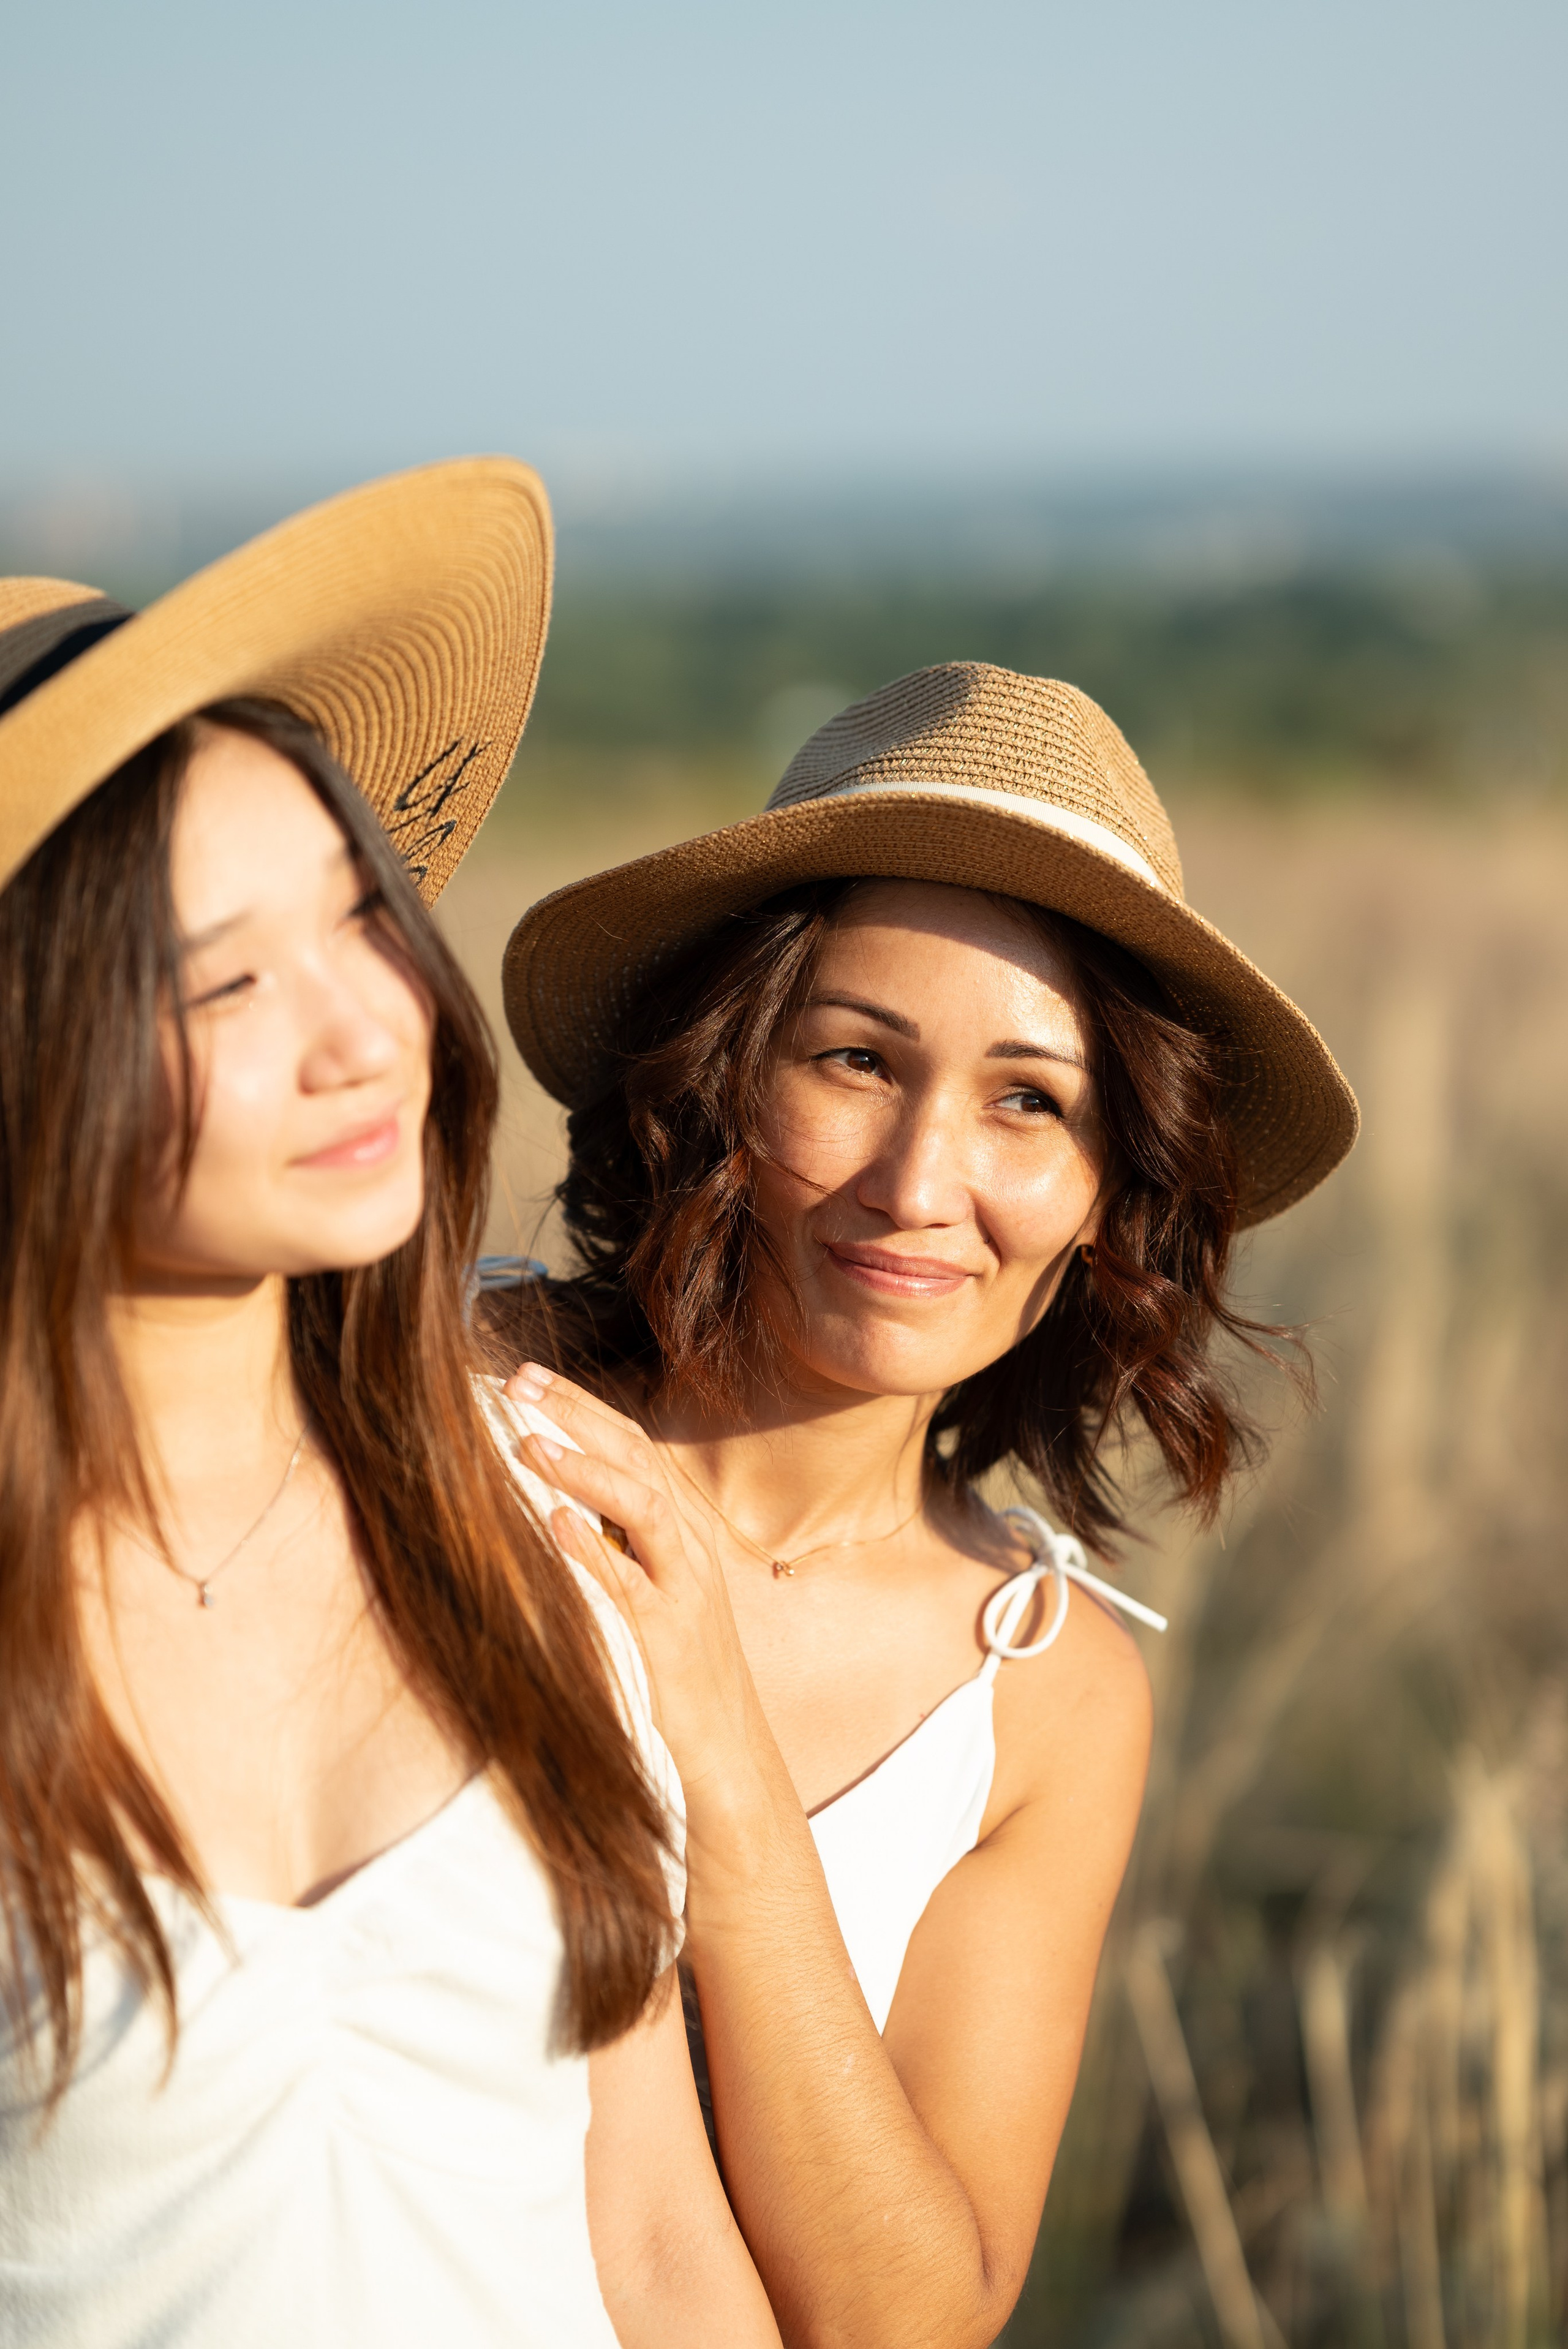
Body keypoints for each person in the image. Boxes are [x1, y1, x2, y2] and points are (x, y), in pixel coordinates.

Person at [0, 464, 777, 2349]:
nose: (366, 1030)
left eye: (363, 917)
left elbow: (658, 2239)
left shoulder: (521, 1520)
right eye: (224, 977)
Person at [492, 661, 1359, 2349]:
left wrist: (724, 1770)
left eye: (1029, 1099)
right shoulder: (457, 1409)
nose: (916, 1185)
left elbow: (909, 2322)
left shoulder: (1040, 1690)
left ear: (1115, 1188)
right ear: (727, 1075)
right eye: (855, 1059)